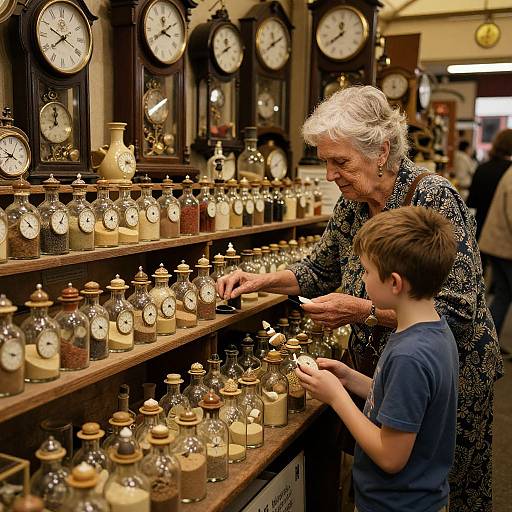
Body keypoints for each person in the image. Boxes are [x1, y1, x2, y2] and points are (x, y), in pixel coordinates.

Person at [217, 86, 503, 512]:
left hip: (449, 376)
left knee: (441, 489)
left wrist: (364, 311)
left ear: (381, 151)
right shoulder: (353, 204)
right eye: (326, 161)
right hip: (386, 373)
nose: (330, 174)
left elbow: (457, 309)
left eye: (340, 161)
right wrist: (260, 280)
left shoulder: (432, 198)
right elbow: (317, 270)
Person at [295, 206, 458, 512]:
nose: (363, 280)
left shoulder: (410, 354)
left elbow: (390, 456)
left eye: (367, 272)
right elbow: (406, 404)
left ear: (395, 283)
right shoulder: (430, 329)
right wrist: (349, 378)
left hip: (396, 504)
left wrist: (336, 397)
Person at [478, 160, 512, 357]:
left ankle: (490, 345)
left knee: (502, 295)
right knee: (502, 295)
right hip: (505, 247)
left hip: (497, 244)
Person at [467, 128, 512, 239]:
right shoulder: (510, 172)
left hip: (480, 229)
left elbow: (472, 202)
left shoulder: (482, 168)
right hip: (502, 235)